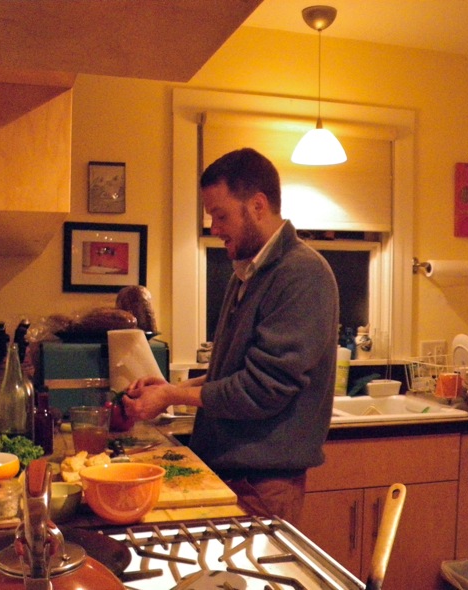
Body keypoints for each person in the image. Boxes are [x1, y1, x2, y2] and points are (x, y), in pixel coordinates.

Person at [123, 147, 339, 524]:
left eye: (221, 215)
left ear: (257, 206)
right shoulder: (247, 273)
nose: (214, 228)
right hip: (234, 476)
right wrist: (173, 387)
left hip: (263, 486)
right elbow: (234, 373)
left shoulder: (302, 274)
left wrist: (173, 396)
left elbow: (261, 389)